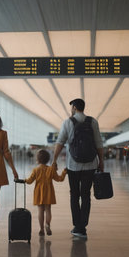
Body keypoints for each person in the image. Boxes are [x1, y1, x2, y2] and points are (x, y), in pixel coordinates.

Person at [51, 98, 103, 238]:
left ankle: (77, 226)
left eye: (71, 107)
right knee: (86, 195)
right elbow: (98, 143)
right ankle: (82, 227)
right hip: (91, 164)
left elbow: (60, 142)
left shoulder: (68, 122)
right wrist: (101, 161)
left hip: (73, 165)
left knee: (74, 195)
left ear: (74, 107)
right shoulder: (93, 121)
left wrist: (54, 160)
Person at [24, 149, 67, 236]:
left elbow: (29, 181)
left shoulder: (36, 170)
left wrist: (23, 180)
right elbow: (60, 179)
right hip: (49, 192)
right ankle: (47, 224)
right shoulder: (51, 169)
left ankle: (41, 229)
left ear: (38, 160)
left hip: (39, 193)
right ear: (47, 160)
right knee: (48, 210)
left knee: (40, 211)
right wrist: (64, 172)